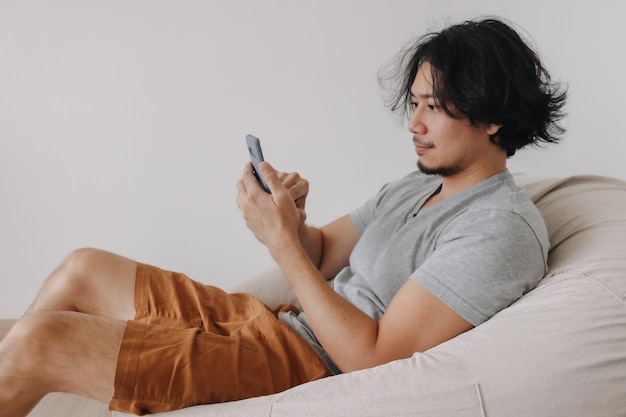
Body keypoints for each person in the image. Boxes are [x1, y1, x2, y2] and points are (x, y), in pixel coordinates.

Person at [0, 16, 566, 416]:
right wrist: (291, 219)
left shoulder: (496, 229)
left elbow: (376, 359)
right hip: (275, 323)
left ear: (493, 116)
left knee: (40, 341)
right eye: (414, 102)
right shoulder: (413, 188)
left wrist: (281, 246)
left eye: (435, 107)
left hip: (299, 367)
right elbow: (322, 253)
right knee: (82, 267)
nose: (414, 124)